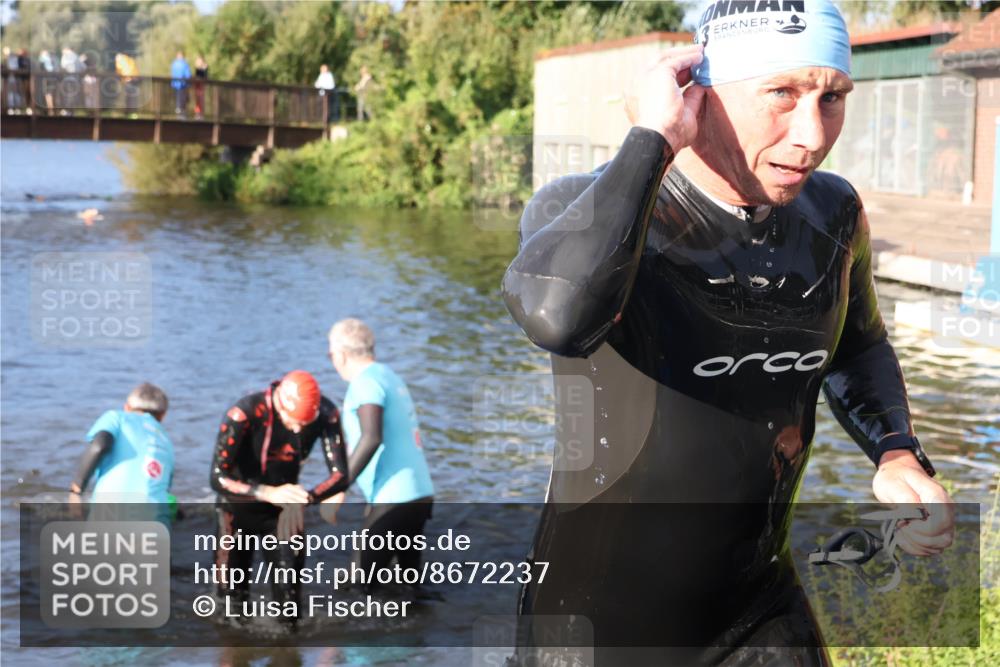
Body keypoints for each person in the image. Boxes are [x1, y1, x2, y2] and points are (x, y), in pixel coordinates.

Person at [501, 1, 956, 664]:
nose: (811, 134)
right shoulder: (594, 209)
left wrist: (895, 449)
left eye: (832, 98)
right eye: (781, 93)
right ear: (701, 93)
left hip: (758, 607)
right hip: (598, 625)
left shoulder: (833, 213)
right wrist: (654, 138)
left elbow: (858, 345)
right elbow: (557, 317)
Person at [209, 370, 350, 626]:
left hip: (283, 513)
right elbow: (217, 477)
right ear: (279, 403)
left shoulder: (327, 413)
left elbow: (341, 475)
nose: (297, 430)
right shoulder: (244, 414)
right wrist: (266, 493)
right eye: (292, 422)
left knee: (289, 610)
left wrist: (306, 498)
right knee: (229, 611)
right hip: (236, 511)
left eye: (305, 426)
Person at [326, 319, 434, 581]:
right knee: (407, 586)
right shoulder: (387, 375)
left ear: (340, 355)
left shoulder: (365, 383)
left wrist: (338, 487)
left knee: (357, 587)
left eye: (330, 354)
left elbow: (371, 437)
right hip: (419, 494)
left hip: (394, 497)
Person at [69, 383, 174, 524]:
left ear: (127, 407)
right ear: (163, 415)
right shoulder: (166, 440)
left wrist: (76, 489)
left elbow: (99, 445)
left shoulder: (116, 417)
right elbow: (164, 488)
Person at [170, 50, 191, 117]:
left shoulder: (174, 64)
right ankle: (182, 111)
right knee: (182, 98)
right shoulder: (184, 64)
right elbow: (188, 75)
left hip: (175, 84)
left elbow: (172, 73)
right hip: (183, 84)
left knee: (177, 97)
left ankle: (178, 109)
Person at [193, 55, 208, 119]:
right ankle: (197, 114)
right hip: (197, 86)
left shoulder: (204, 68)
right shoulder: (197, 69)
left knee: (201, 100)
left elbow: (205, 77)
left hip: (201, 87)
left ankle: (201, 114)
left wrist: (205, 69)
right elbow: (197, 76)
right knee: (197, 100)